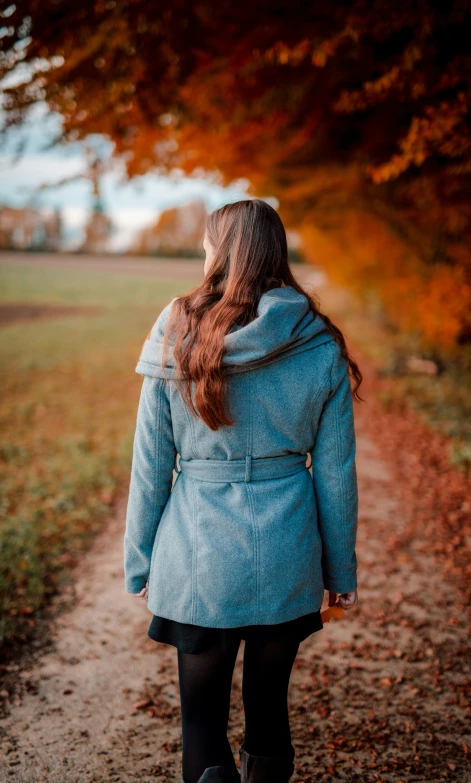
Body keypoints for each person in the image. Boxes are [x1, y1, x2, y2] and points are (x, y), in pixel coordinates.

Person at [123, 198, 361, 783]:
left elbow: (151, 462)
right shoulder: (317, 340)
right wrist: (340, 572)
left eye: (208, 244)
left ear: (220, 252)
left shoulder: (177, 326)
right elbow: (336, 475)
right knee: (270, 713)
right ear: (275, 253)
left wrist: (140, 562)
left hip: (199, 555)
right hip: (287, 554)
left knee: (201, 722)